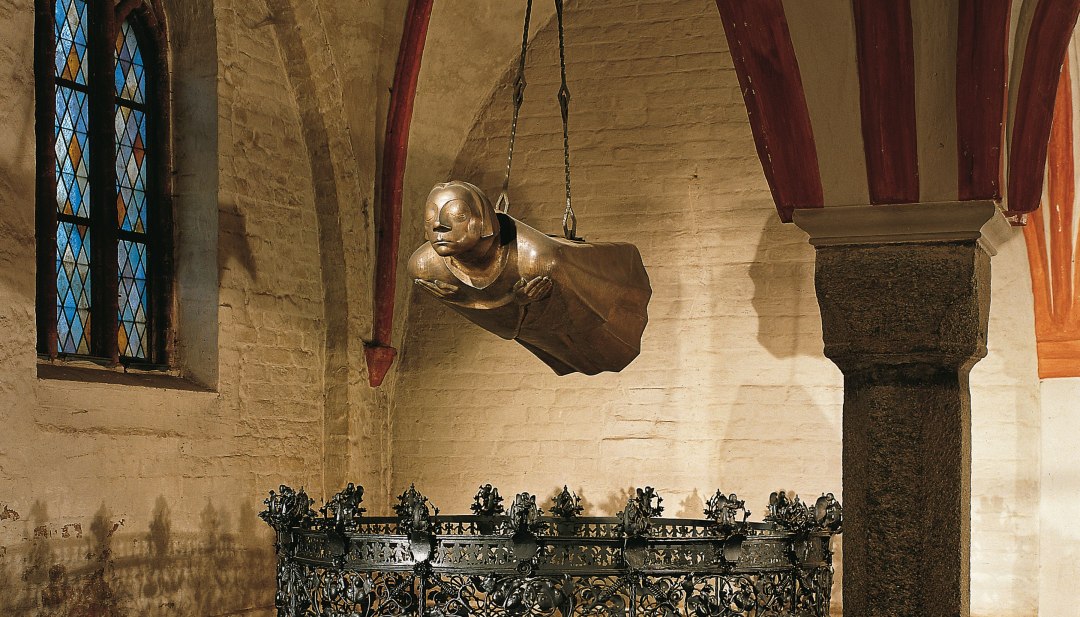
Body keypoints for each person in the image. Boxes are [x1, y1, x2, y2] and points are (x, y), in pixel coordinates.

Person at [408, 181, 651, 375]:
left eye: (458, 216)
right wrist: (510, 301)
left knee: (603, 336)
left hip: (576, 298)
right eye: (430, 218)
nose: (439, 225)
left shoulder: (537, 259)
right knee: (562, 344)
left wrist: (507, 302)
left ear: (484, 223)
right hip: (540, 332)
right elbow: (504, 327)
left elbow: (578, 312)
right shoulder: (426, 267)